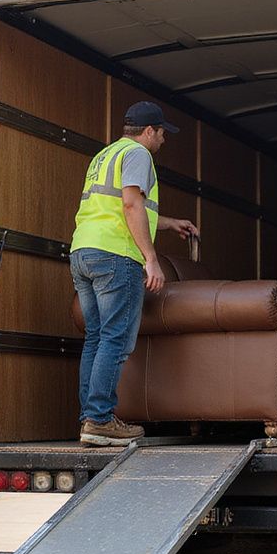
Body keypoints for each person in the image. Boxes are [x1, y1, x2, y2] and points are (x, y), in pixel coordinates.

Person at [70, 101, 198, 446]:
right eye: (161, 133)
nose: (163, 141)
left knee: (96, 338)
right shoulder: (140, 155)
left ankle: (89, 419)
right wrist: (151, 258)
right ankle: (99, 419)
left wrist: (168, 224)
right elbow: (130, 203)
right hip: (116, 254)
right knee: (115, 338)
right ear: (148, 131)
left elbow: (120, 206)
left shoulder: (105, 155)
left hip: (84, 251)